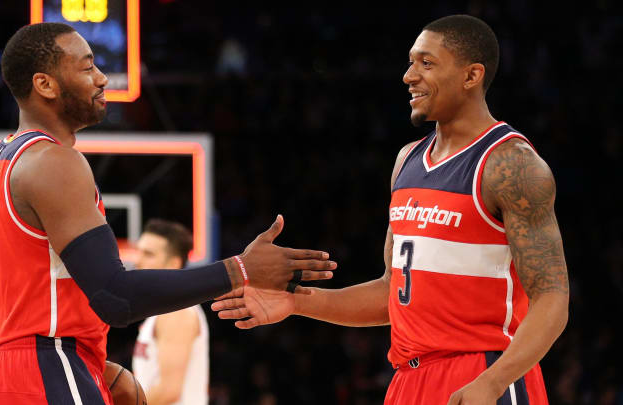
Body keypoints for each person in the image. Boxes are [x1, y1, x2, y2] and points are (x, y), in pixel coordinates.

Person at [0, 22, 337, 405]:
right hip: (48, 370)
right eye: (86, 67)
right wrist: (241, 270)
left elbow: (32, 299)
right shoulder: (54, 161)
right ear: (45, 84)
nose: (101, 78)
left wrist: (95, 363)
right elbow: (115, 296)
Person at [213, 14, 569, 405]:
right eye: (411, 61)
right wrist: (298, 301)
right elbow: (392, 293)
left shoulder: (510, 164)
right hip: (408, 379)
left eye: (426, 63)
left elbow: (552, 299)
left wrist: (495, 381)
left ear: (472, 76)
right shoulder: (407, 160)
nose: (408, 75)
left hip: (483, 373)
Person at [131, 219, 209, 405]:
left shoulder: (176, 312)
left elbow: (169, 391)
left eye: (148, 254)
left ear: (173, 263)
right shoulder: (164, 309)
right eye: (139, 252)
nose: (138, 261)